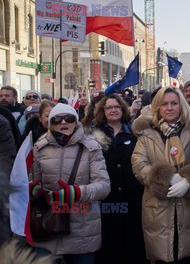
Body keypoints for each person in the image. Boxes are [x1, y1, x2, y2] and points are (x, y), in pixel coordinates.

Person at [131, 87, 190, 263]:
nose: (169, 108)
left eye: (174, 103)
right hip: (158, 207)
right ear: (157, 107)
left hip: (189, 208)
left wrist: (189, 181)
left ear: (181, 105)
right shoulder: (147, 134)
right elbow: (138, 164)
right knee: (162, 256)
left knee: (187, 257)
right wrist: (166, 178)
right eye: (164, 104)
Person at [31, 103, 111, 263]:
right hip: (47, 228)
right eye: (56, 119)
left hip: (82, 230)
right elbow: (33, 181)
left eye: (68, 118)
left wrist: (77, 193)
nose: (63, 123)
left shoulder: (91, 147)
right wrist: (34, 190)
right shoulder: (39, 147)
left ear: (76, 121)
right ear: (49, 123)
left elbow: (104, 186)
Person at [92, 94, 146, 263]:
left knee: (133, 242)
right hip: (108, 199)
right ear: (103, 111)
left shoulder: (135, 131)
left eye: (117, 107)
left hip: (133, 197)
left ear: (123, 109)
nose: (113, 110)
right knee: (110, 241)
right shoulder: (93, 134)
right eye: (109, 107)